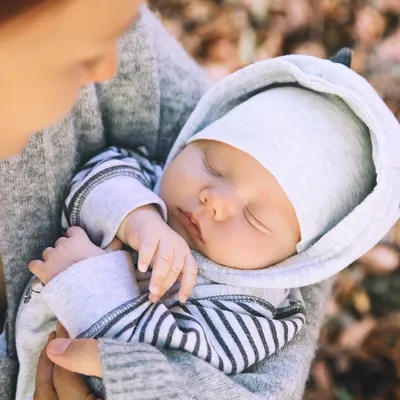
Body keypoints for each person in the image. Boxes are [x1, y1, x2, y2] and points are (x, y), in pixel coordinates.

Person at [0, 0, 395, 398]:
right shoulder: (153, 186)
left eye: (255, 218)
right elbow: (100, 174)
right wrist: (136, 215)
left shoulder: (250, 313)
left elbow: (170, 366)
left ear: (296, 260)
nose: (214, 200)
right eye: (212, 164)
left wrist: (90, 285)